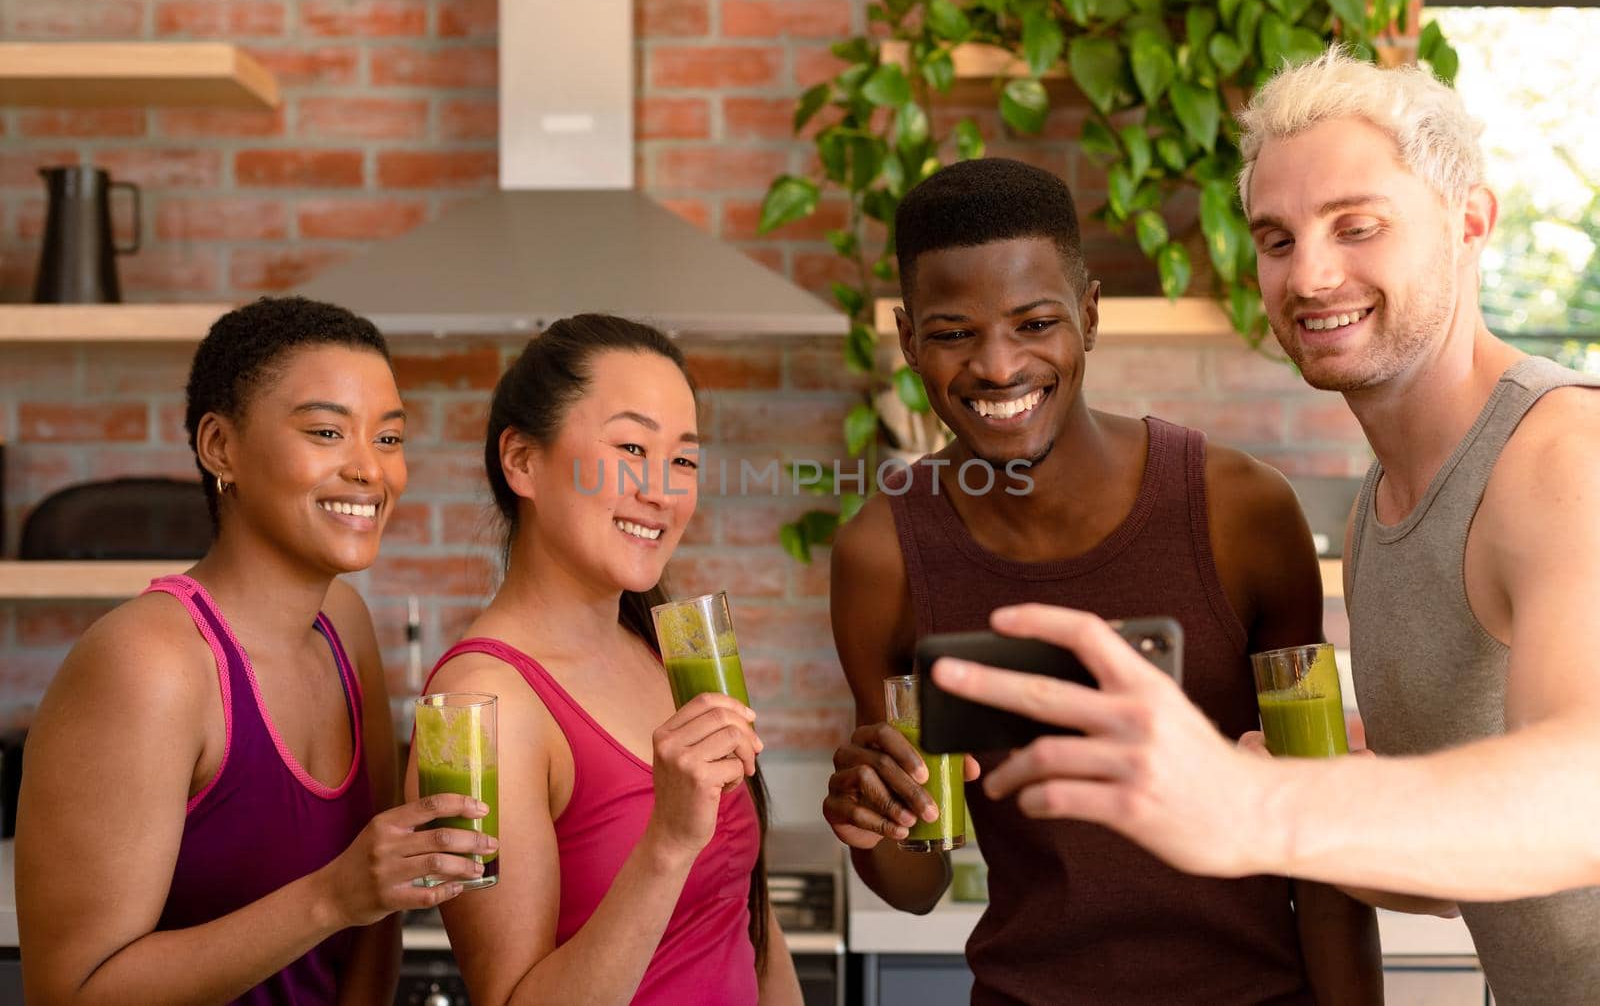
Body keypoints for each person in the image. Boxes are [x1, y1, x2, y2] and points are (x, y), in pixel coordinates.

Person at [930, 49, 1600, 1002]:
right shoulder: (1385, 511)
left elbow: (1584, 801)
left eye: (1357, 227)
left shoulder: (1562, 455)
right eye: (1277, 240)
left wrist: (1262, 803)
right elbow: (1462, 877)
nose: (1312, 273)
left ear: (1469, 222)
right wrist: (1250, 791)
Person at [821, 157, 1380, 1003]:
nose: (999, 367)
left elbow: (1324, 842)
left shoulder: (1242, 513)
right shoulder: (884, 553)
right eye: (952, 333)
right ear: (908, 340)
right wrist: (873, 818)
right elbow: (916, 878)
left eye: (1034, 322)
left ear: (1087, 315)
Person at [16, 296, 492, 1005]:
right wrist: (333, 894)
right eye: (328, 431)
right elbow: (72, 991)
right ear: (220, 448)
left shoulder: (345, 624)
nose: (370, 470)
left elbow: (371, 929)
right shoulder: (149, 664)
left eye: (389, 438)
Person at [405, 314, 802, 1005]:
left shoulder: (671, 648)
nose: (663, 490)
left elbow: (747, 925)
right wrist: (668, 841)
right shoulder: (477, 709)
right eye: (630, 448)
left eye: (683, 459)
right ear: (522, 460)